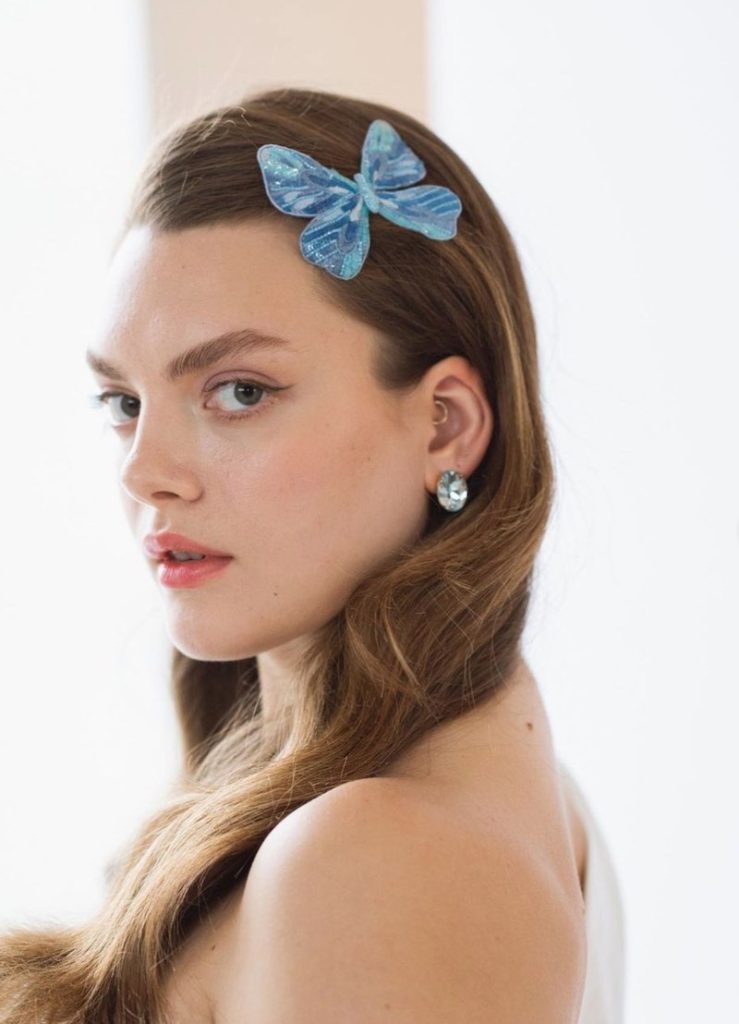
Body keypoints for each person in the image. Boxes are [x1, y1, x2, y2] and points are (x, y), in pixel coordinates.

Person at [0, 86, 625, 1023]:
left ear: (445, 425)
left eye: (240, 391)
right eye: (123, 403)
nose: (145, 472)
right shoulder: (496, 791)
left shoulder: (384, 857)